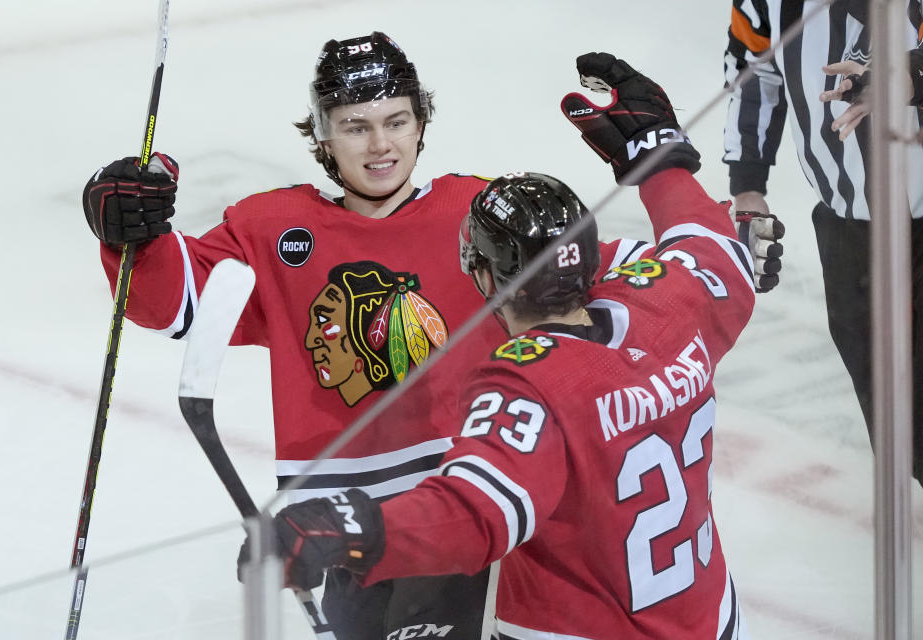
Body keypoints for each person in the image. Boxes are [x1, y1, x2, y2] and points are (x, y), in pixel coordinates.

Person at [82, 33, 774, 638]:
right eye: (356, 127)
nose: (381, 145)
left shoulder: (476, 209)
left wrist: (745, 238)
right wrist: (130, 235)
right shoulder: (272, 228)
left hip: (474, 501)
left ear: (421, 124)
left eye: (396, 121)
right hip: (342, 534)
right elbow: (174, 302)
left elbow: (590, 266)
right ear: (322, 136)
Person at [253, 53, 755, 640]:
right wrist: (661, 161)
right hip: (710, 620)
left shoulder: (530, 382)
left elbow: (473, 516)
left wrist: (348, 526)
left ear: (487, 281)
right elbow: (710, 241)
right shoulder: (677, 301)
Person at [723, 0, 923, 485]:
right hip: (847, 228)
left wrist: (906, 77)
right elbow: (755, 76)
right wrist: (748, 192)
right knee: (904, 436)